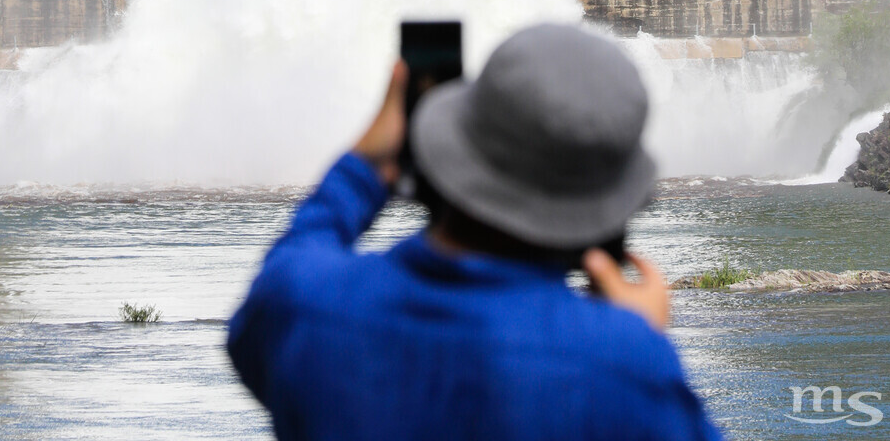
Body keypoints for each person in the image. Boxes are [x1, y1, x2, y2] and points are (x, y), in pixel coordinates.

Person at [228, 22, 722, 440]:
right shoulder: (626, 368)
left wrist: (363, 169)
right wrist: (640, 340)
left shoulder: (302, 308)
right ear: (609, 206)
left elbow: (293, 259)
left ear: (450, 148)